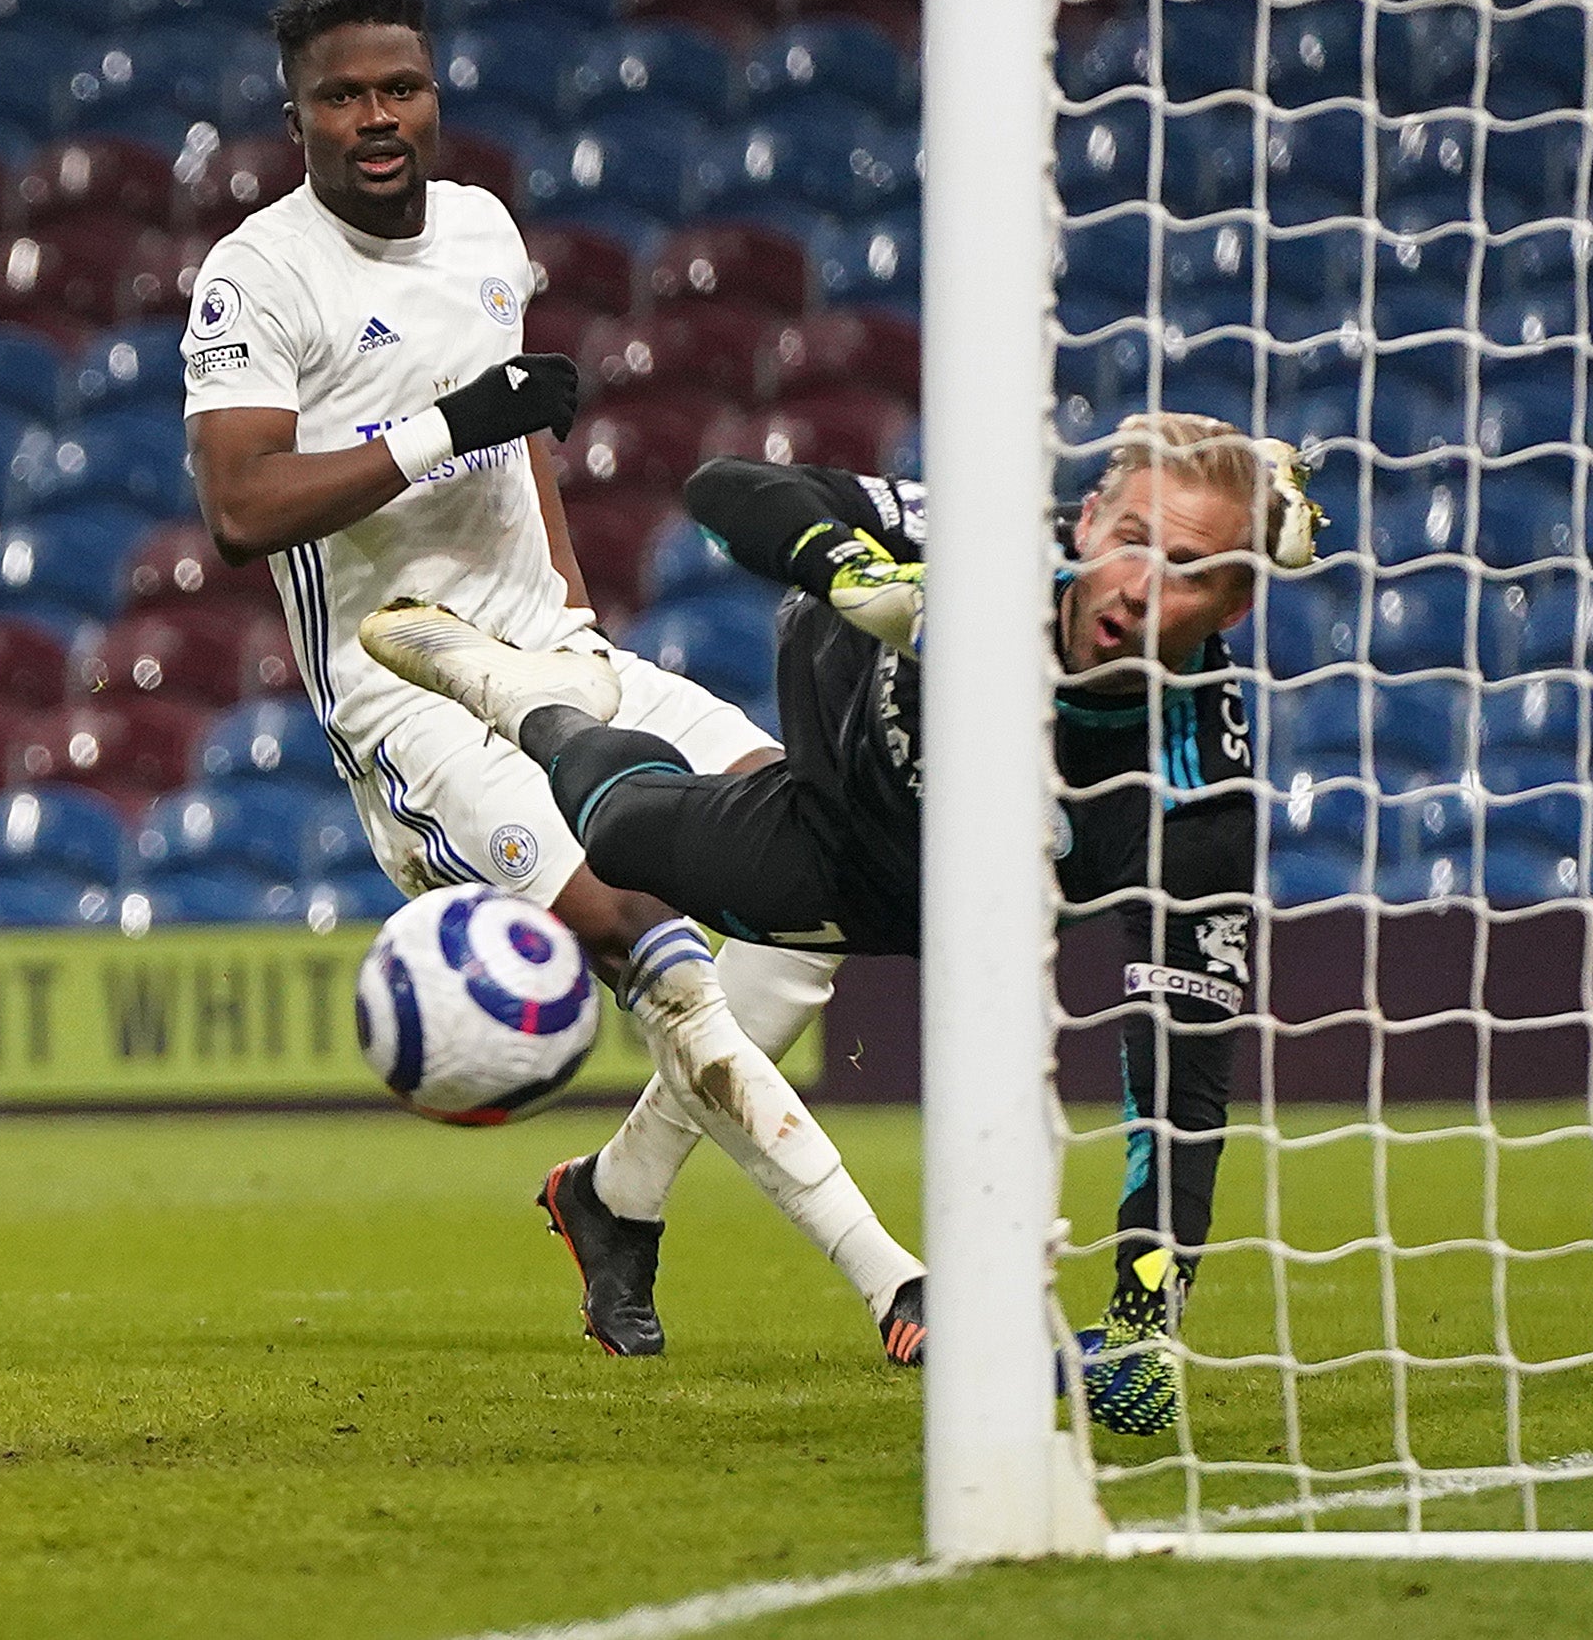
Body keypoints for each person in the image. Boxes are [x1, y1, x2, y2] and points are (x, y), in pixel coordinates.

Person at [182, 0, 926, 1364]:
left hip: (555, 651)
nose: (375, 114)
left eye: (397, 85)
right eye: (340, 95)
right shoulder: (257, 272)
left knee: (810, 868)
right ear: (298, 118)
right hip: (407, 684)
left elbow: (514, 435)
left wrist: (569, 603)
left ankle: (614, 1193)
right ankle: (892, 1275)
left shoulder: (476, 229)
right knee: (640, 925)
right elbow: (239, 508)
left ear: (433, 92)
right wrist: (437, 422)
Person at [366, 414, 1313, 1431]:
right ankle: (534, 705)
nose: (1139, 585)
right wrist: (853, 571)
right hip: (838, 744)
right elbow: (726, 487)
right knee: (625, 849)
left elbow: (1181, 1082)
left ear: (1235, 604)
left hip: (910, 895)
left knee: (720, 914)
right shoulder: (983, 546)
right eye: (1129, 538)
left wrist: (1143, 1323)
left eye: (1190, 568)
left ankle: (614, 1192)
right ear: (1084, 523)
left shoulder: (1197, 795)